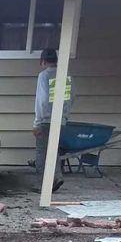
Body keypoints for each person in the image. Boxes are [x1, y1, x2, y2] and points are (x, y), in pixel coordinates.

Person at [33, 48, 73, 193]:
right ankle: (57, 175)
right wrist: (64, 116)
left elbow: (42, 100)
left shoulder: (44, 76)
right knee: (54, 150)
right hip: (60, 120)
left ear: (43, 61)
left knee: (42, 152)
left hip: (46, 120)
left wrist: (37, 122)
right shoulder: (65, 76)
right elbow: (70, 98)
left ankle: (43, 184)